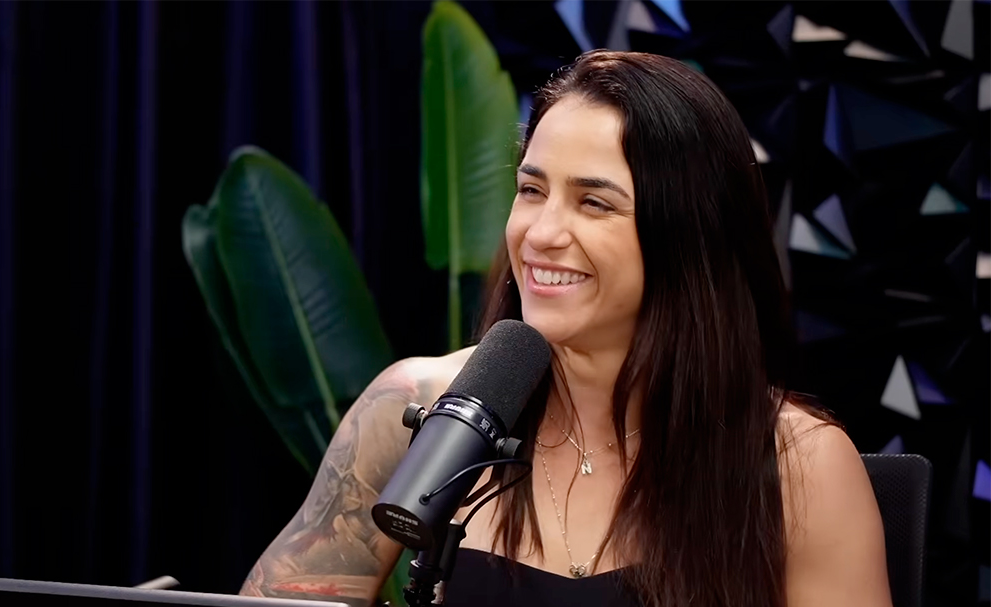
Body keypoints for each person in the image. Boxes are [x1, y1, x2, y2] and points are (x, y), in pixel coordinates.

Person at [239, 50, 891, 607]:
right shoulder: (417, 406)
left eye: (594, 202)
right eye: (531, 190)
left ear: (687, 236)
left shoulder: (799, 466)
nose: (542, 232)